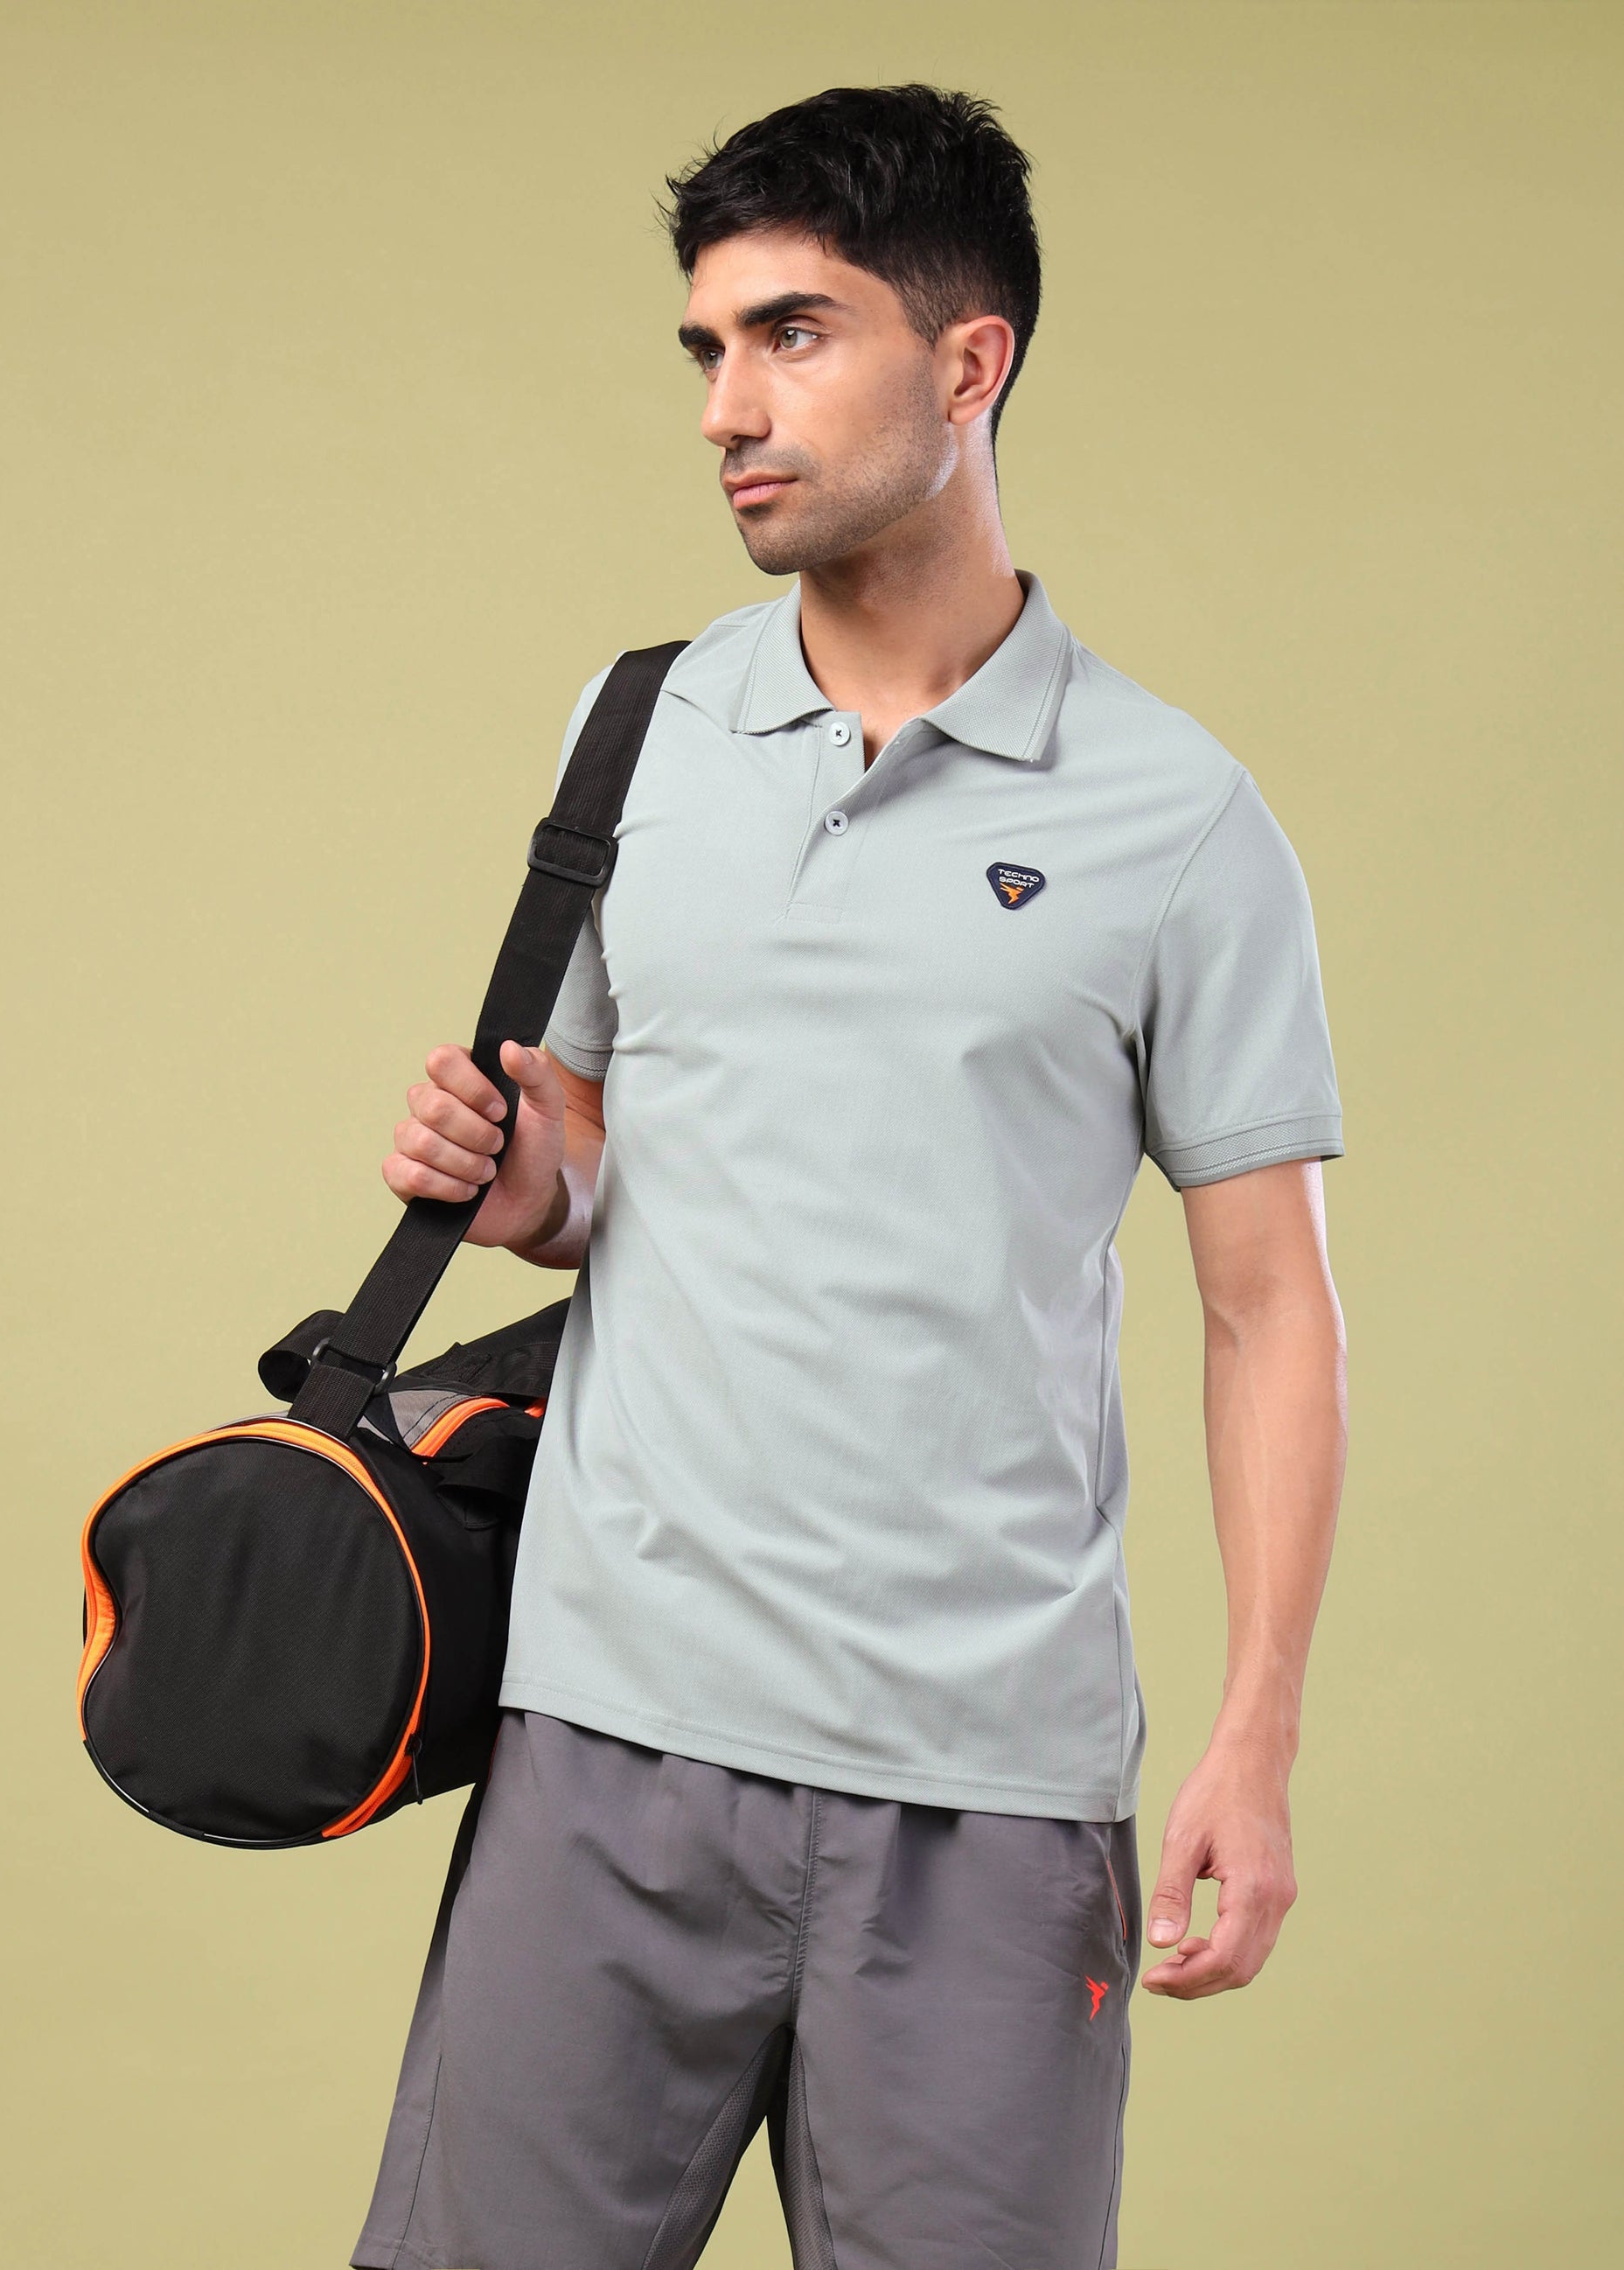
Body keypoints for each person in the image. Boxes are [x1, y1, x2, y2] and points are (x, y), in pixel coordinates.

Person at [352, 82, 1348, 2270]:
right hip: (606, 1736)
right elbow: (590, 1148)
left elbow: (1269, 1302)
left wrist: (1254, 1733)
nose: (728, 406)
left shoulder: (1177, 817)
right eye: (706, 349)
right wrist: (525, 1179)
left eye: (792, 334)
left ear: (969, 361)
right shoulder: (635, 729)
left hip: (986, 1793)